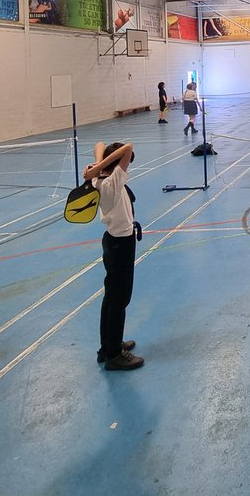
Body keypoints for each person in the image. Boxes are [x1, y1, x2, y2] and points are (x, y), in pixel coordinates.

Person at [83, 140, 143, 370]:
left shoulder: (99, 178)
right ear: (118, 165)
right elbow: (127, 147)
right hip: (121, 245)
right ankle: (114, 355)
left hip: (112, 242)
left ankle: (107, 346)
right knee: (119, 301)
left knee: (111, 298)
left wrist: (97, 166)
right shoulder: (112, 182)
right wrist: (100, 167)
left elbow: (98, 143)